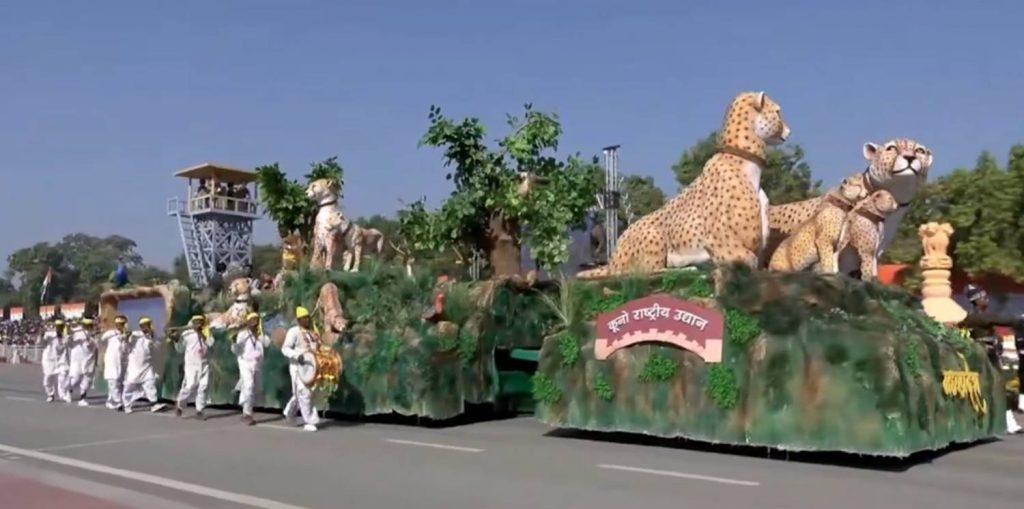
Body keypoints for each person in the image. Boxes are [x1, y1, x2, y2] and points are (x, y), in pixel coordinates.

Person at [957, 284, 1022, 434]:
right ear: (976, 300)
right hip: (988, 356)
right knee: (999, 387)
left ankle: (988, 422)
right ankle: (1008, 423)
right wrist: (1020, 319)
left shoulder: (969, 317)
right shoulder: (984, 316)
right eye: (983, 297)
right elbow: (1009, 320)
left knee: (984, 389)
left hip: (978, 356)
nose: (987, 299)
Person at [281, 306, 320, 432]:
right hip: (298, 367)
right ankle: (310, 420)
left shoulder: (313, 332)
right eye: (303, 318)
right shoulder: (294, 331)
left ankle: (289, 411)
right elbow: (285, 348)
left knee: (302, 394)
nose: (306, 320)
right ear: (298, 320)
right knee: (304, 393)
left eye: (307, 318)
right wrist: (297, 356)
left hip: (312, 367)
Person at [122, 317, 168, 414]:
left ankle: (154, 404)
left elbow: (157, 345)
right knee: (130, 386)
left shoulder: (153, 336)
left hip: (147, 366)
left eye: (147, 325)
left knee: (150, 383)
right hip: (135, 366)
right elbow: (126, 340)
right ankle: (127, 405)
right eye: (144, 326)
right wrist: (126, 335)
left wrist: (151, 335)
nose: (146, 327)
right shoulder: (135, 335)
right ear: (141, 327)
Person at [232, 312, 271, 425]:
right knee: (249, 385)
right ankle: (247, 414)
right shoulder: (243, 334)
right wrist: (234, 342)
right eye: (252, 320)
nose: (254, 322)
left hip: (257, 365)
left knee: (254, 388)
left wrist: (260, 336)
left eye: (256, 320)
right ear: (248, 322)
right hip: (245, 363)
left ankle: (243, 402)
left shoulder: (260, 335)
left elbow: (267, 344)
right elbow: (236, 349)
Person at [174, 315, 214, 420]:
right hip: (192, 364)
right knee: (190, 386)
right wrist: (176, 340)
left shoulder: (206, 332)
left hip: (205, 363)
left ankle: (200, 410)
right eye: (196, 321)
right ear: (192, 322)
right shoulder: (186, 333)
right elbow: (180, 349)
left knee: (203, 387)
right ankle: (180, 404)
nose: (199, 323)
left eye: (200, 321)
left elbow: (210, 343)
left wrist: (201, 333)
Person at [66, 318, 98, 406]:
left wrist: (90, 339)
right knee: (75, 379)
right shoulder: (76, 332)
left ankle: (82, 398)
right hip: (77, 359)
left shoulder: (94, 333)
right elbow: (69, 342)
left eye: (89, 325)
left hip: (88, 360)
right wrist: (70, 335)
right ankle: (69, 390)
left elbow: (95, 347)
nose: (88, 327)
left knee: (86, 380)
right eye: (86, 325)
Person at [38, 319, 69, 402]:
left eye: (60, 326)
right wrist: (41, 335)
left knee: (63, 376)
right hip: (49, 360)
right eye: (57, 326)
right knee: (48, 379)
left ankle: (63, 394)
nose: (59, 328)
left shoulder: (66, 335)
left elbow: (67, 343)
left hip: (61, 360)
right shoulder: (49, 334)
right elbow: (41, 343)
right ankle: (50, 394)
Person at [101, 315, 129, 410]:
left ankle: (111, 401)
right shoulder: (111, 333)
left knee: (119, 382)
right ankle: (118, 403)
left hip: (122, 362)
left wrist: (125, 335)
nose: (120, 326)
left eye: (122, 324)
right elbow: (102, 338)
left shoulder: (127, 335)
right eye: (118, 324)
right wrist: (115, 333)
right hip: (111, 361)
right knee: (113, 381)